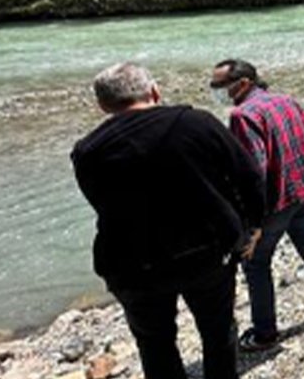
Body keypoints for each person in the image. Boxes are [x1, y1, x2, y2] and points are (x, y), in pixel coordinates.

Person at [72, 63, 265, 379]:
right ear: (155, 91)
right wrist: (253, 226)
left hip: (132, 263)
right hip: (207, 251)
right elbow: (249, 177)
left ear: (103, 105)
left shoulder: (87, 151)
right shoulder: (197, 123)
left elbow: (102, 203)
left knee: (154, 344)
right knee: (218, 331)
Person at [211, 60, 304, 351]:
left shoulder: (243, 115)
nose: (217, 91)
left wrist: (250, 216)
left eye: (220, 85)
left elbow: (253, 169)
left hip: (275, 200)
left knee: (256, 263)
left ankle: (265, 332)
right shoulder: (284, 100)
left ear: (243, 84)